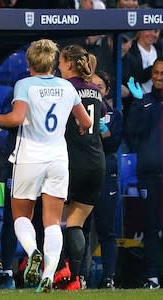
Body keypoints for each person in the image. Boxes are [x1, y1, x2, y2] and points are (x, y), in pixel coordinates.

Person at [0, 39, 92, 293]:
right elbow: (86, 122)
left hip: (29, 157)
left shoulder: (25, 84)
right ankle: (48, 275)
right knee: (52, 222)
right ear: (54, 63)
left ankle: (33, 252)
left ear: (29, 62)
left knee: (21, 215)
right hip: (57, 158)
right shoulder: (66, 87)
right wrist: (78, 126)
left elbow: (17, 118)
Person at [55, 44, 105, 290]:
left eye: (61, 62)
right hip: (97, 162)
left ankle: (57, 269)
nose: (58, 66)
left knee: (52, 218)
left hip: (72, 161)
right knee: (76, 223)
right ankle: (75, 279)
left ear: (70, 64)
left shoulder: (65, 88)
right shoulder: (95, 89)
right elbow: (103, 119)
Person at [125, 57, 163, 289]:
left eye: (162, 74)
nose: (158, 78)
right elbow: (132, 133)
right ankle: (152, 277)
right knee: (151, 228)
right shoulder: (144, 102)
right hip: (149, 174)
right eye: (156, 73)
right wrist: (139, 105)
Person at [91, 71, 124, 289]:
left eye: (99, 88)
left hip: (106, 173)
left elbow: (113, 144)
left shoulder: (115, 115)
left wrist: (100, 132)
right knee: (79, 226)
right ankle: (78, 275)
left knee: (106, 228)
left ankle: (108, 277)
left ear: (107, 91)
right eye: (92, 87)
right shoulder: (77, 110)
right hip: (84, 171)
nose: (95, 91)